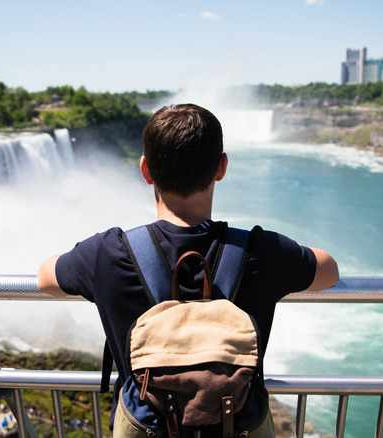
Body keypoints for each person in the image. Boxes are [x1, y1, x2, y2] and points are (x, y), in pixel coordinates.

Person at [37, 103, 339, 437]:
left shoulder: (106, 253)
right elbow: (329, 271)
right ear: (221, 168)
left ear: (145, 170)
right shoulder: (261, 251)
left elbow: (45, 278)